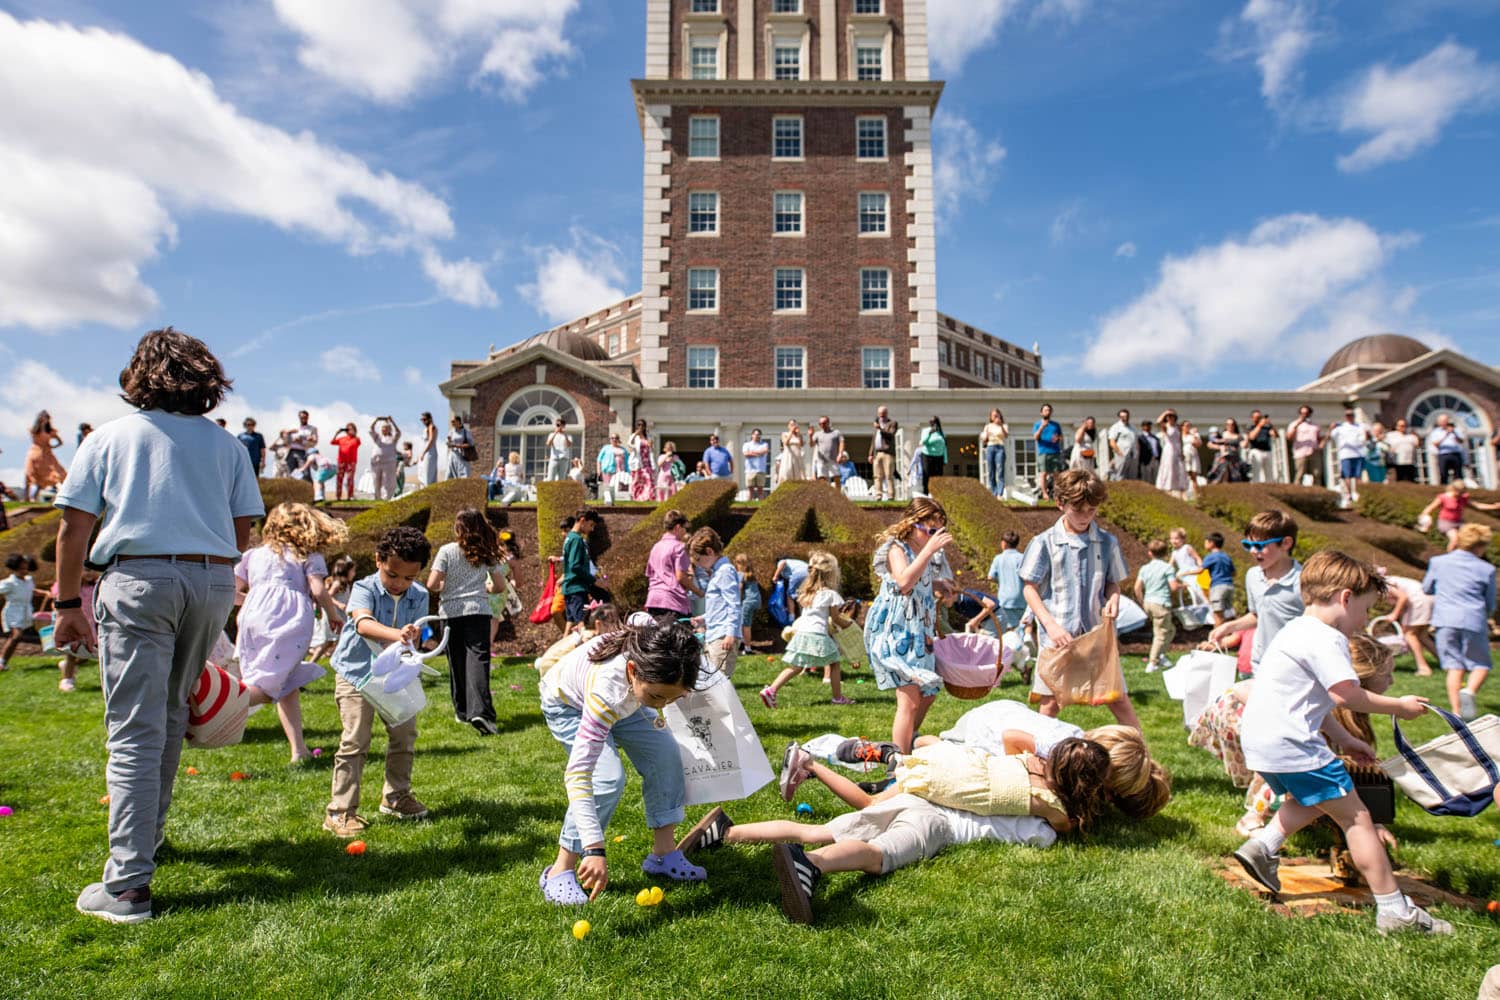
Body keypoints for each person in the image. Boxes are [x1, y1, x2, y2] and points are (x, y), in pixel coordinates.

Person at [52, 327, 263, 924]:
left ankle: (126, 887)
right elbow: (241, 528)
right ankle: (149, 839)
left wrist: (69, 604)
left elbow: (73, 528)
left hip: (138, 580)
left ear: (140, 375)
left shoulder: (109, 438)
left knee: (134, 729)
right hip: (211, 580)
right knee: (170, 715)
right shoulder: (227, 447)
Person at [1231, 550, 1449, 936]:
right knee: (1357, 818)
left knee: (1312, 799)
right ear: (1345, 598)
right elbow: (1348, 695)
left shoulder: (1294, 630)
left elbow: (1320, 699)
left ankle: (1263, 846)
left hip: (1263, 744)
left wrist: (1345, 738)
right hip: (1293, 745)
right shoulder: (1327, 638)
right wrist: (1399, 705)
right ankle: (1394, 910)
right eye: (1365, 611)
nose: (1364, 621)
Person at [691, 738, 1104, 924]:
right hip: (936, 823)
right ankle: (810, 867)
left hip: (917, 796)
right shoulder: (1047, 819)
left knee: (816, 828)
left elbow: (1014, 742)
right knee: (880, 856)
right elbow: (1063, 827)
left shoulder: (1019, 766)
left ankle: (726, 832)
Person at [538, 618, 708, 905]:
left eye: (672, 698)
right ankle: (560, 869)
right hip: (569, 704)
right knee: (606, 779)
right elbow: (579, 774)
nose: (662, 705)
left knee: (665, 755)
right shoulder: (607, 692)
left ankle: (663, 855)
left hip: (628, 701)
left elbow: (639, 619)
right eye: (657, 696)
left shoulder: (656, 651)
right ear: (633, 670)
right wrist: (594, 848)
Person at [1194, 632, 1398, 837]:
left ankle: (1303, 811)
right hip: (1239, 710)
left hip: (1266, 719)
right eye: (1387, 675)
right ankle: (1252, 818)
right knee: (1287, 762)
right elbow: (1242, 688)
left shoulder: (1345, 706)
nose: (1393, 682)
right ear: (1364, 679)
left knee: (1298, 764)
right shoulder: (1319, 695)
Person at [324, 526, 432, 838]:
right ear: (378, 560)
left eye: (408, 578)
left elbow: (418, 635)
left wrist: (413, 641)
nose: (399, 584)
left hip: (395, 675)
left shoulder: (420, 595)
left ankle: (396, 796)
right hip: (356, 673)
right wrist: (398, 635)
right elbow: (363, 624)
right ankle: (340, 811)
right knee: (355, 740)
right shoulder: (363, 587)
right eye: (392, 575)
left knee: (405, 734)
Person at [1020, 469, 1143, 728]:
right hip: (1057, 637)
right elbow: (1029, 588)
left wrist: (1114, 598)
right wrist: (1051, 626)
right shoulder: (1044, 543)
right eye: (1079, 510)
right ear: (1060, 503)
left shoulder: (1107, 542)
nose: (1086, 516)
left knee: (1118, 698)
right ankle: (1039, 760)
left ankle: (1140, 757)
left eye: (1091, 510)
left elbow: (1113, 583)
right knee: (1050, 703)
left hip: (1097, 635)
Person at [235, 502, 347, 762]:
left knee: (287, 683)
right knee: (268, 684)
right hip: (289, 621)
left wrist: (255, 601)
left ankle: (299, 750)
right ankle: (211, 706)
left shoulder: (253, 555)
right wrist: (332, 615)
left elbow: (231, 589)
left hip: (252, 619)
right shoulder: (307, 555)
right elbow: (318, 590)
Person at [864, 498, 953, 752]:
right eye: (930, 530)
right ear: (914, 524)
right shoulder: (896, 549)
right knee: (910, 700)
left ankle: (908, 739)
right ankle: (898, 764)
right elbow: (903, 582)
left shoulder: (923, 553)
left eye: (938, 530)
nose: (934, 536)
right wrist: (929, 551)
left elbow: (917, 580)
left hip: (918, 632)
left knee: (929, 691)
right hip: (897, 632)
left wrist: (938, 585)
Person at [427, 508, 507, 735]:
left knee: (457, 662)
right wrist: (487, 588)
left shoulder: (447, 551)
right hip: (478, 611)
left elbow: (432, 584)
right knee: (478, 661)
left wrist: (448, 588)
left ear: (458, 527)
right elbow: (499, 586)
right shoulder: (486, 552)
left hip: (451, 612)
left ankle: (462, 711)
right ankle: (481, 711)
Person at [1208, 511, 1303, 673]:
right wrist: (1229, 626)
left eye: (1260, 545)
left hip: (1295, 665)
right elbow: (1257, 615)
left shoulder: (1304, 580)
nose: (1252, 551)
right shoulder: (1252, 576)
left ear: (1286, 543)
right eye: (1248, 545)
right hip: (1261, 663)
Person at [760, 551, 855, 708]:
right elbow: (836, 618)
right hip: (817, 634)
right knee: (835, 662)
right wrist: (849, 625)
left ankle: (771, 690)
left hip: (802, 633)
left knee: (796, 666)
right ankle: (837, 698)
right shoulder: (830, 595)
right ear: (831, 574)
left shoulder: (808, 593)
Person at [1423, 523, 1496, 720]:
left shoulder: (1438, 562)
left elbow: (1427, 588)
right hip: (1473, 619)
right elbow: (1490, 602)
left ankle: (1457, 713)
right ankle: (1470, 691)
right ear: (1481, 546)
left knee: (1453, 665)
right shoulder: (1486, 569)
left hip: (1445, 619)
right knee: (1481, 663)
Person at [690, 528, 741, 679]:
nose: (698, 565)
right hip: (714, 634)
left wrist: (730, 633)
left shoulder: (725, 571)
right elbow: (721, 605)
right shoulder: (717, 572)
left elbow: (734, 604)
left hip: (722, 636)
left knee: (719, 686)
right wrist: (704, 618)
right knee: (710, 684)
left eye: (699, 559)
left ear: (709, 551)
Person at [645, 510, 703, 619]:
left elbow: (649, 573)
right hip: (673, 601)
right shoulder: (679, 547)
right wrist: (698, 592)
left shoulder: (655, 547)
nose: (685, 532)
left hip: (653, 599)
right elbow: (680, 576)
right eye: (685, 529)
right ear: (677, 527)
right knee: (681, 634)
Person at [1135, 539, 1180, 672]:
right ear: (1166, 554)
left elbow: (1137, 588)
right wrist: (1182, 585)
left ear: (1150, 553)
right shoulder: (1167, 568)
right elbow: (1174, 587)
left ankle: (1161, 656)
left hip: (1148, 603)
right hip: (1161, 604)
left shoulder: (1145, 568)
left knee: (1170, 630)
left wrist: (1142, 602)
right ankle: (1152, 663)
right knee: (1160, 635)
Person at [1378, 574, 1436, 676]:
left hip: (1418, 601)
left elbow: (1403, 597)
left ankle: (1423, 668)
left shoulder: (1384, 584)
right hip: (1428, 599)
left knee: (1409, 634)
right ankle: (1447, 664)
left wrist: (1394, 614)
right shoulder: (1393, 580)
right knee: (1422, 635)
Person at [561, 510, 609, 628]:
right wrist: (592, 579)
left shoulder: (570, 538)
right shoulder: (576, 539)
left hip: (570, 588)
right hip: (577, 588)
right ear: (583, 520)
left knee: (572, 624)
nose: (591, 529)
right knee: (582, 626)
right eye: (591, 525)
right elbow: (575, 565)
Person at [1420, 481, 1499, 550]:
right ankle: (1450, 559)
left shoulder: (1462, 498)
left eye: (1462, 493)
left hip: (1459, 522)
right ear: (1453, 489)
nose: (1460, 494)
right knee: (1455, 539)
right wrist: (1425, 517)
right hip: (1446, 523)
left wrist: (1494, 506)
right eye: (1459, 492)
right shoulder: (1443, 497)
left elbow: (1478, 506)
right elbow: (1430, 508)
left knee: (1471, 539)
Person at [309, 555, 356, 663]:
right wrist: (339, 604)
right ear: (345, 571)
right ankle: (340, 661)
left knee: (331, 641)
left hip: (340, 615)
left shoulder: (346, 584)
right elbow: (328, 596)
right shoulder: (337, 583)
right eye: (352, 571)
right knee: (336, 639)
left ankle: (316, 662)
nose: (354, 573)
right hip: (334, 615)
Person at [0, 554, 37, 672]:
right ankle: (1, 661)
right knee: (16, 636)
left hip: (25, 611)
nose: (24, 571)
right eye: (21, 568)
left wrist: (45, 593)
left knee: (16, 638)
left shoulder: (29, 580)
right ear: (14, 568)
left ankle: (4, 662)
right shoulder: (9, 583)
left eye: (26, 568)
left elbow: (32, 591)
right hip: (13, 612)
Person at [985, 530, 1028, 632]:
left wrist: (1000, 580)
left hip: (1005, 598)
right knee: (1021, 625)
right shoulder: (1022, 558)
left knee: (1009, 628)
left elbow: (990, 577)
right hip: (1021, 598)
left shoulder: (998, 559)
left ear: (1004, 543)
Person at [1328, 408, 1370, 506]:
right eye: (1347, 415)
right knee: (1347, 476)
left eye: (1351, 415)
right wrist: (1331, 428)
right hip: (1345, 455)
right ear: (1345, 417)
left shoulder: (1360, 426)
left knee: (1358, 475)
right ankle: (1349, 495)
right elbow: (1330, 437)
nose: (1349, 417)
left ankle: (1358, 493)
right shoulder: (1340, 428)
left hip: (1359, 454)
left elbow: (1365, 437)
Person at [24, 410, 67, 500]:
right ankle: (27, 497)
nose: (44, 419)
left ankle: (61, 495)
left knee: (55, 474)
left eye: (46, 418)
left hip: (47, 454)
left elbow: (60, 442)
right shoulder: (34, 430)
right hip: (34, 453)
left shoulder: (50, 431)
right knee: (30, 474)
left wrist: (52, 446)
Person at [1201, 532, 1236, 627]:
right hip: (1229, 586)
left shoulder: (1211, 557)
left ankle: (1215, 639)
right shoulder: (1226, 557)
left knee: (1218, 615)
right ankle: (1232, 636)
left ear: (1211, 543)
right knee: (1229, 614)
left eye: (1206, 542)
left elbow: (1200, 570)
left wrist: (1184, 573)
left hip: (1217, 587)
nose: (1205, 544)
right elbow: (1234, 573)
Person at [1154, 410, 1188, 498]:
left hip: (1177, 449)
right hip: (1169, 449)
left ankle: (1178, 488)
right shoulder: (1165, 426)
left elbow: (1180, 440)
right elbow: (1158, 421)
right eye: (1168, 416)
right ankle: (1167, 488)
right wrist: (1165, 413)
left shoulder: (1177, 427)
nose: (1170, 417)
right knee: (1168, 467)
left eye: (1171, 416)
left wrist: (1182, 451)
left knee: (1179, 468)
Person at [1033, 404, 1064, 499]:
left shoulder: (1056, 425)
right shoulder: (1037, 424)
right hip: (1043, 452)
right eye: (1045, 410)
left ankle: (1056, 494)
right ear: (1041, 412)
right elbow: (1035, 437)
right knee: (1043, 473)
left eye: (1049, 410)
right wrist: (1042, 427)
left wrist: (1058, 438)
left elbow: (1061, 437)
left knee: (1056, 474)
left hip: (1055, 451)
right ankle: (1044, 494)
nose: (1047, 412)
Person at [1287, 406, 1323, 485]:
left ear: (1310, 414)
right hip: (1300, 453)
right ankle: (1297, 493)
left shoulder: (1315, 425)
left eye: (1306, 413)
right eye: (1302, 413)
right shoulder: (1294, 424)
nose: (1304, 415)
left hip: (1314, 452)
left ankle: (1317, 493)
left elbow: (1319, 438)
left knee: (1317, 474)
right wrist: (1297, 424)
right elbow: (1289, 437)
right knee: (1300, 474)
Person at [368, 416, 401, 500]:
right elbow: (371, 429)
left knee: (388, 482)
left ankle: (387, 498)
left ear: (389, 429)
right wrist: (377, 420)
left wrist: (392, 421)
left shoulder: (392, 438)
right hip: (376, 462)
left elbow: (398, 432)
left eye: (386, 428)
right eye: (383, 428)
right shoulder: (377, 437)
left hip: (389, 463)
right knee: (376, 481)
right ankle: (377, 498)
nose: (384, 429)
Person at [1169, 527, 1205, 603]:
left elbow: (1197, 557)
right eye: (1172, 539)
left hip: (1191, 570)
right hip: (1183, 573)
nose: (1173, 541)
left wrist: (1201, 566)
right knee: (1189, 588)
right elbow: (1170, 565)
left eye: (1176, 538)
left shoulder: (1187, 547)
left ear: (1183, 539)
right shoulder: (1174, 552)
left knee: (1198, 589)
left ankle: (1203, 601)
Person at [734, 553, 762, 654]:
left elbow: (740, 588)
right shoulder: (751, 574)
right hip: (756, 600)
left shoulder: (741, 574)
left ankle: (747, 648)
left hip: (748, 602)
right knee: (745, 622)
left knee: (745, 625)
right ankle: (743, 641)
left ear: (738, 563)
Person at [1429, 414, 1468, 485]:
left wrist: (1454, 433)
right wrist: (1446, 434)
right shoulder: (1436, 432)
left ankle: (1459, 488)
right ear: (1439, 422)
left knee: (1458, 473)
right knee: (1443, 473)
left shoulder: (1456, 430)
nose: (1444, 422)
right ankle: (1443, 488)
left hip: (1455, 454)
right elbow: (1435, 443)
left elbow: (1461, 441)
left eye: (1445, 421)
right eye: (1442, 421)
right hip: (1443, 454)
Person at [872, 407, 900, 501]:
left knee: (889, 475)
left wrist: (880, 428)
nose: (881, 416)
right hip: (877, 453)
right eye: (880, 414)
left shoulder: (892, 423)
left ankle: (891, 496)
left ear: (886, 413)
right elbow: (874, 440)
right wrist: (871, 454)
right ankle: (878, 495)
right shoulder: (877, 425)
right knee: (877, 476)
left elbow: (890, 435)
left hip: (887, 453)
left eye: (883, 414)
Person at [1207, 417, 1245, 484]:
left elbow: (1243, 445)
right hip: (1222, 459)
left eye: (1232, 424)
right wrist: (1220, 447)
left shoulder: (1238, 436)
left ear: (1234, 425)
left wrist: (1247, 438)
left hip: (1234, 460)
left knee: (1234, 478)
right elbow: (1210, 444)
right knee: (1221, 475)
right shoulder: (1221, 435)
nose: (1230, 426)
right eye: (1228, 424)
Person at [595, 432, 630, 502]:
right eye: (612, 438)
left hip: (620, 471)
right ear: (610, 439)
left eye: (616, 438)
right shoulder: (606, 448)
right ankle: (608, 500)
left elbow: (627, 461)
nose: (614, 439)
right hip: (608, 470)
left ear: (618, 439)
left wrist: (628, 471)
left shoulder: (623, 450)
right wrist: (598, 470)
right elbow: (599, 459)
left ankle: (617, 499)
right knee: (608, 486)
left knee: (618, 486)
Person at [330, 422, 361, 501]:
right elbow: (332, 442)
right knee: (339, 478)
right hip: (341, 461)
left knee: (350, 478)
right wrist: (337, 433)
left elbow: (358, 443)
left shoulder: (356, 439)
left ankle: (350, 496)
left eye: (351, 429)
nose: (349, 430)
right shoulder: (342, 438)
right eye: (347, 429)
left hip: (351, 461)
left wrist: (353, 433)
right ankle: (338, 496)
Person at [1245, 410, 1278, 484]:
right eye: (1256, 417)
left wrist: (1271, 424)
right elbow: (1252, 437)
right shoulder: (1250, 427)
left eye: (1259, 417)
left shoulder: (1267, 428)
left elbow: (1275, 435)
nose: (1258, 419)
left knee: (1269, 473)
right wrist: (1259, 426)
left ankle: (1270, 486)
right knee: (1256, 473)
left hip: (1267, 451)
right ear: (1252, 418)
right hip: (1256, 451)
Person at [284, 410, 318, 482]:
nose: (303, 419)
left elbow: (314, 442)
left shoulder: (312, 429)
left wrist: (301, 441)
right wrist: (288, 433)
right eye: (301, 417)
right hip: (291, 452)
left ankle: (309, 491)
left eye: (305, 417)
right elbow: (286, 441)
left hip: (303, 452)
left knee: (305, 474)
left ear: (307, 417)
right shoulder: (293, 427)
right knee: (291, 473)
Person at [1106, 409, 1139, 482]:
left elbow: (1136, 440)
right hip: (1122, 454)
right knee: (1120, 475)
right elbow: (1112, 442)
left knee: (1132, 476)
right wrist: (1119, 452)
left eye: (1126, 416)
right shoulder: (1116, 427)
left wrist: (1137, 452)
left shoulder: (1133, 427)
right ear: (1119, 417)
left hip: (1133, 455)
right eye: (1122, 416)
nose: (1125, 418)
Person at [1384, 418, 1421, 482]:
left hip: (1410, 462)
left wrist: (1417, 435)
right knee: (1399, 481)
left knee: (1410, 480)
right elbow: (1386, 446)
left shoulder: (1411, 436)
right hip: (1397, 463)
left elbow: (1418, 445)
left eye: (1405, 425)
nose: (1403, 427)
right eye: (1401, 426)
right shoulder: (1391, 435)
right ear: (1396, 426)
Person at [810, 417, 844, 486]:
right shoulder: (817, 434)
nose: (822, 425)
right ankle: (825, 495)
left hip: (833, 460)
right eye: (820, 424)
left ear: (828, 423)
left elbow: (841, 442)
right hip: (821, 461)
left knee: (836, 477)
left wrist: (840, 454)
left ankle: (837, 495)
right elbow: (811, 444)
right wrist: (810, 436)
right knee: (822, 479)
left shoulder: (836, 432)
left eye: (824, 423)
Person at [629, 419, 655, 501]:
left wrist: (651, 445)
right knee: (637, 481)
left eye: (642, 425)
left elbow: (651, 449)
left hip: (647, 461)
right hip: (637, 462)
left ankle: (648, 497)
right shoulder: (634, 436)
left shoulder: (648, 436)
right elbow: (629, 444)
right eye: (639, 425)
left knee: (648, 479)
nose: (641, 426)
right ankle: (636, 497)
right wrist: (635, 434)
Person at [918, 416, 947, 487]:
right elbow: (923, 442)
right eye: (930, 421)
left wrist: (945, 459)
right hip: (927, 456)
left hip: (939, 457)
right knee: (927, 474)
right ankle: (926, 492)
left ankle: (936, 493)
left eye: (934, 421)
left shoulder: (941, 433)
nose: (932, 423)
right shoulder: (925, 430)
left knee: (938, 476)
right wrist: (930, 433)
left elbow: (944, 447)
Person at [743, 428, 770, 501]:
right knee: (750, 490)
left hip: (760, 470)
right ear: (752, 435)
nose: (757, 436)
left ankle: (760, 506)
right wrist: (759, 453)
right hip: (750, 470)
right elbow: (746, 454)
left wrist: (752, 452)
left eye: (758, 435)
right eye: (755, 434)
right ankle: (748, 506)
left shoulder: (764, 444)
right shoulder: (747, 444)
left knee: (760, 491)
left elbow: (765, 451)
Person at [778, 419, 806, 487]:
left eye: (794, 425)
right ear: (788, 426)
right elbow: (786, 443)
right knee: (787, 473)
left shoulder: (799, 435)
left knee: (798, 475)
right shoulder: (784, 434)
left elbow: (802, 444)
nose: (793, 426)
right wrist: (791, 432)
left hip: (797, 457)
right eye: (791, 425)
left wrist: (798, 434)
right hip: (788, 456)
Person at [544, 418, 572, 482]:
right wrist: (555, 433)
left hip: (564, 459)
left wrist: (564, 434)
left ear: (564, 426)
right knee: (550, 478)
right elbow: (548, 444)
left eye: (560, 425)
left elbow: (569, 445)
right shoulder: (551, 435)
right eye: (557, 425)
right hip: (554, 459)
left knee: (561, 479)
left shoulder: (568, 435)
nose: (558, 427)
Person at [416, 412, 439, 487]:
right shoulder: (426, 428)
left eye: (425, 419)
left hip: (429, 452)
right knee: (422, 472)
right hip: (425, 452)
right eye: (422, 420)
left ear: (429, 419)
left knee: (428, 474)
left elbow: (431, 440)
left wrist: (424, 452)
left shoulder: (431, 426)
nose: (423, 421)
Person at [1136, 420, 1161, 484]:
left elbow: (1158, 448)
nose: (1148, 427)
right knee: (1147, 478)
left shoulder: (1155, 437)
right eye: (1146, 425)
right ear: (1143, 427)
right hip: (1146, 460)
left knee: (1156, 477)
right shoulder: (1140, 438)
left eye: (1149, 425)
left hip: (1155, 459)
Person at [1181, 421, 1203, 486]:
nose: (1188, 427)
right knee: (1184, 475)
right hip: (1184, 457)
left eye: (1189, 426)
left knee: (1193, 476)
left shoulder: (1194, 435)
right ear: (1182, 427)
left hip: (1193, 457)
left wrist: (1194, 435)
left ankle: (1196, 492)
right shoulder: (1179, 435)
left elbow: (1198, 444)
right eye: (1186, 425)